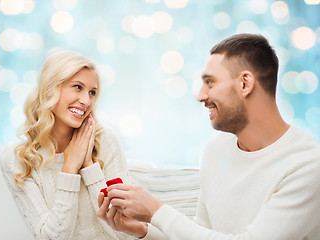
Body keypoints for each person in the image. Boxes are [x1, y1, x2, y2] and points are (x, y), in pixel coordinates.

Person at [97, 34, 320, 239]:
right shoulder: (217, 150)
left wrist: (156, 211)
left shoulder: (307, 166)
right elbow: (200, 234)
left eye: (210, 82)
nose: (201, 96)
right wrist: (143, 230)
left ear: (245, 84)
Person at [0, 50, 136, 239]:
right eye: (77, 87)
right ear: (49, 90)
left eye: (92, 92)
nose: (86, 100)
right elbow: (51, 237)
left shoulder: (105, 140)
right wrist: (70, 168)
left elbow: (126, 233)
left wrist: (89, 166)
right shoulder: (19, 160)